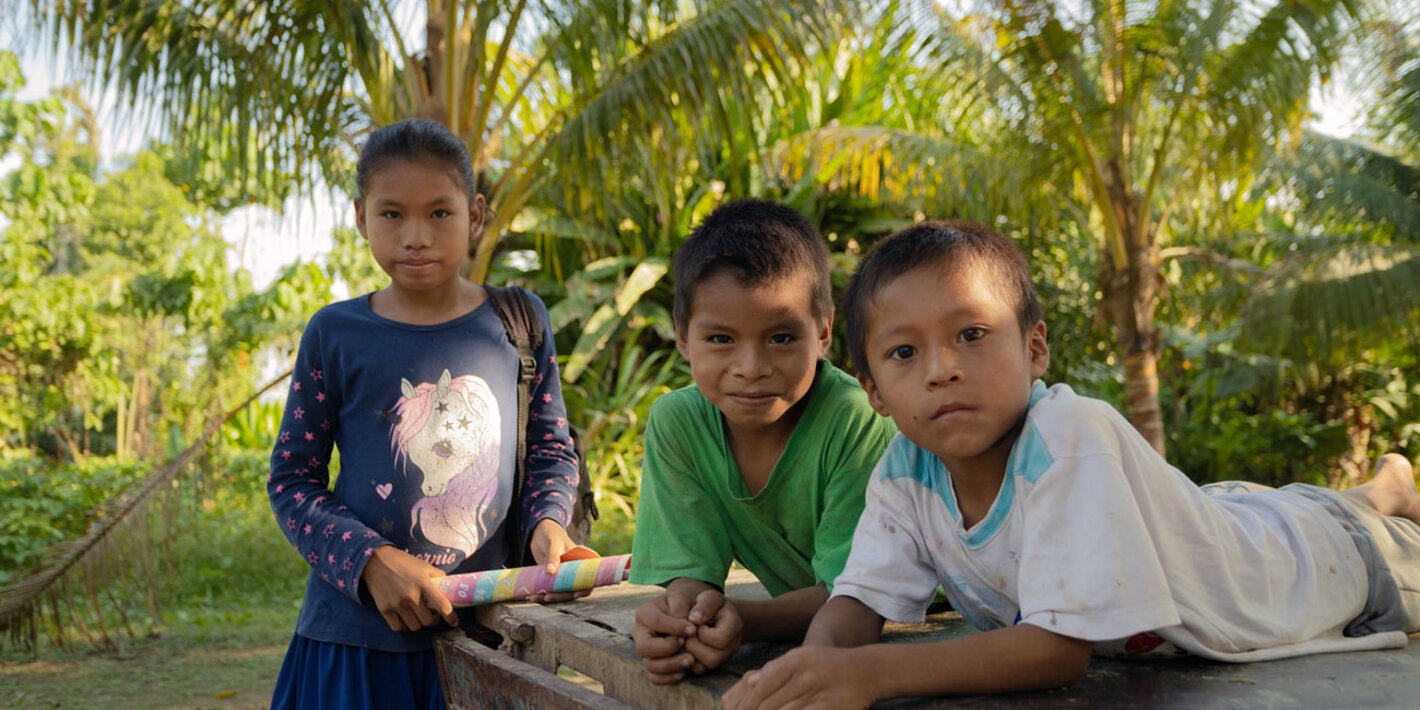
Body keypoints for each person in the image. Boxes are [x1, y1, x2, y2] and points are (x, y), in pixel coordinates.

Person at [724, 220, 1420, 709]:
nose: (941, 370)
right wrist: (815, 664)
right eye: (904, 353)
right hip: (1224, 517)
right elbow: (861, 599)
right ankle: (1380, 487)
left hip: (1328, 567)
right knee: (1268, 512)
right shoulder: (905, 472)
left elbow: (1056, 651)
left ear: (1034, 349)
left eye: (972, 334)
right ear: (874, 390)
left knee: (1328, 526)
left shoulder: (1069, 437)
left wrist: (870, 675)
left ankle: (1378, 499)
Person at [267, 118, 582, 709]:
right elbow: (291, 481)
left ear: (475, 216)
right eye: (392, 214)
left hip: (490, 635)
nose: (416, 236)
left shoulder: (519, 322)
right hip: (355, 644)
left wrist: (549, 525)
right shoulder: (334, 333)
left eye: (439, 212)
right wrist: (370, 563)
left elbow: (550, 450)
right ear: (361, 218)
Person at [629, 199, 898, 683]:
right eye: (721, 339)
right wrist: (682, 620)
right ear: (683, 337)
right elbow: (692, 572)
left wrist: (744, 620)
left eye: (780, 338)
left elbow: (857, 596)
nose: (750, 368)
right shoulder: (680, 424)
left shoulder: (853, 418)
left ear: (823, 332)